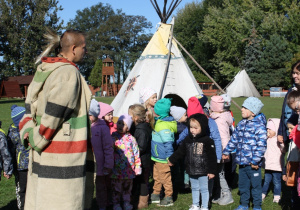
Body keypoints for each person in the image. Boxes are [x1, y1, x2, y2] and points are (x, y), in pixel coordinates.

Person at [19, 29, 93, 210]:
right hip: (61, 153)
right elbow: (55, 114)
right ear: (73, 48)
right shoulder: (67, 72)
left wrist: (29, 132)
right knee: (61, 201)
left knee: (45, 200)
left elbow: (28, 107)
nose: (86, 51)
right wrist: (38, 138)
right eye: (84, 47)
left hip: (45, 153)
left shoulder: (45, 69)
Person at [222, 97, 267, 210]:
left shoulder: (259, 126)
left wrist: (255, 161)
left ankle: (257, 206)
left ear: (252, 112)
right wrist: (226, 151)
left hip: (253, 164)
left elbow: (261, 146)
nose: (241, 109)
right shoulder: (241, 124)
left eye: (245, 108)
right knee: (243, 185)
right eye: (242, 107)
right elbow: (234, 139)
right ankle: (244, 204)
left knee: (256, 186)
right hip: (242, 163)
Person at [168, 113, 217, 210]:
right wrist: (172, 159)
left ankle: (205, 206)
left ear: (202, 127)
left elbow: (212, 157)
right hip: (191, 169)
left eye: (195, 128)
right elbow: (181, 151)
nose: (192, 130)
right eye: (191, 127)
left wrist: (211, 171)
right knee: (194, 188)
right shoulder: (188, 139)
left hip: (203, 170)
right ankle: (195, 205)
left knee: (204, 189)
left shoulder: (207, 141)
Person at [111, 114, 142, 210]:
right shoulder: (113, 137)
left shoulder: (131, 139)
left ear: (128, 127)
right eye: (119, 123)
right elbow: (109, 150)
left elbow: (136, 153)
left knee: (127, 188)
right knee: (116, 188)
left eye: (123, 124)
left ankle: (126, 202)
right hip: (116, 169)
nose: (120, 126)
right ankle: (116, 203)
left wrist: (137, 166)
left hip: (129, 170)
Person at [150, 98, 177, 207]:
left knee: (165, 178)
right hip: (157, 157)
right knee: (157, 176)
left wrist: (170, 158)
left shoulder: (163, 125)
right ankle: (156, 194)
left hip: (163, 158)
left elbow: (168, 143)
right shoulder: (159, 122)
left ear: (158, 113)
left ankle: (168, 196)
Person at [89, 99, 114, 210]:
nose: (89, 117)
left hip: (101, 165)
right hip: (89, 163)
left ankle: (103, 205)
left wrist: (108, 164)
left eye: (91, 115)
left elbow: (108, 148)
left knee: (101, 187)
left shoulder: (103, 127)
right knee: (89, 186)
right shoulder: (87, 127)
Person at [210, 95, 234, 205]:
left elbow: (224, 137)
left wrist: (225, 152)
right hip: (216, 150)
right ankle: (219, 194)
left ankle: (227, 194)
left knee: (219, 173)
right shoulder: (219, 117)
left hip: (220, 151)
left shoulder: (220, 120)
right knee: (218, 172)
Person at [128, 104, 152, 209]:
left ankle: (142, 203)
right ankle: (133, 200)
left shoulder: (141, 130)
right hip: (141, 160)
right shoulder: (138, 127)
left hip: (142, 161)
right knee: (138, 181)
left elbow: (141, 147)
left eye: (130, 115)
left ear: (136, 117)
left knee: (142, 182)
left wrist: (131, 152)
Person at [7, 105, 29, 210]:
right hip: (20, 167)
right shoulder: (13, 134)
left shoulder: (29, 130)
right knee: (22, 189)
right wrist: (10, 168)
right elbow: (9, 153)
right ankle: (22, 207)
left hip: (33, 164)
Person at [261, 118, 284, 203]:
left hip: (276, 166)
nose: (268, 131)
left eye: (270, 129)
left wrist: (281, 143)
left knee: (277, 181)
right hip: (268, 165)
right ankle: (263, 193)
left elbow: (284, 150)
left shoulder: (278, 140)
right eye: (267, 129)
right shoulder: (268, 139)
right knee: (266, 180)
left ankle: (277, 196)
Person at [278, 61, 300, 147]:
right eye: (293, 73)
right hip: (291, 133)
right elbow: (284, 112)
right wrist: (281, 132)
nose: (294, 76)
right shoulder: (291, 90)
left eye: (297, 73)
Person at [170, 105, 189, 191]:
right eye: (185, 115)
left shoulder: (172, 126)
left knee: (175, 167)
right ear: (179, 117)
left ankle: (174, 182)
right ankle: (185, 182)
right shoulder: (183, 127)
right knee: (184, 166)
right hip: (182, 150)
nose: (186, 116)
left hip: (175, 149)